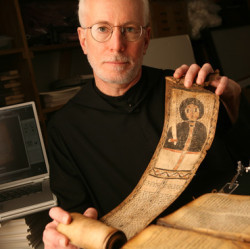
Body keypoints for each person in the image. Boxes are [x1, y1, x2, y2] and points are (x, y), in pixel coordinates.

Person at [43, 0, 249, 248]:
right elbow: (77, 223)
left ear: (147, 39)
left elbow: (243, 164)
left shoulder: (192, 92)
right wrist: (66, 236)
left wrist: (235, 104)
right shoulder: (63, 129)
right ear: (83, 39)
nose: (116, 45)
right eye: (102, 29)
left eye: (130, 29)